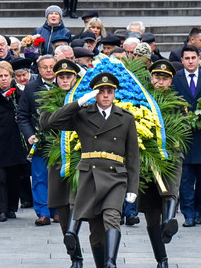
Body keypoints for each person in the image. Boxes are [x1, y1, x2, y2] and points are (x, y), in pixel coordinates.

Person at [44, 72, 139, 268]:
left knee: (112, 217)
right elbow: (51, 122)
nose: (105, 95)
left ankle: (111, 262)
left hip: (115, 177)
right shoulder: (83, 115)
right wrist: (78, 103)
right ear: (94, 94)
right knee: (96, 232)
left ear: (115, 94)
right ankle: (101, 264)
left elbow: (133, 156)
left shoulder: (126, 117)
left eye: (109, 91)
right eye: (101, 91)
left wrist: (133, 188)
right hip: (90, 177)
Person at [39, 59, 84, 267]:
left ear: (75, 78)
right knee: (63, 210)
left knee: (80, 205)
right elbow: (47, 123)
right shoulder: (49, 98)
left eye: (69, 76)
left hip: (81, 158)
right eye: (61, 77)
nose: (65, 80)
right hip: (58, 160)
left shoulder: (85, 97)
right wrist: (73, 107)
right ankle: (75, 255)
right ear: (56, 78)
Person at [140, 60, 183, 267]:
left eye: (164, 78)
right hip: (146, 159)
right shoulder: (141, 100)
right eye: (156, 77)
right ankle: (161, 258)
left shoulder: (177, 102)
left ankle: (169, 222)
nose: (159, 81)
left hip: (170, 156)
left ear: (171, 81)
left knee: (170, 190)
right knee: (150, 213)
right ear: (151, 78)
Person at [173, 45, 201, 227]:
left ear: (199, 59)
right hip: (183, 135)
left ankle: (198, 209)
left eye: (193, 58)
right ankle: (188, 213)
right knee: (185, 178)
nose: (190, 61)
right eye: (187, 58)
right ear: (182, 60)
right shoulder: (176, 79)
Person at [16, 54, 57, 226]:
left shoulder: (64, 84)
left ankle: (57, 210)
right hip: (39, 141)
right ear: (38, 70)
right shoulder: (31, 88)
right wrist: (29, 135)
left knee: (57, 177)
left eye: (52, 67)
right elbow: (22, 116)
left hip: (58, 141)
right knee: (40, 177)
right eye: (44, 67)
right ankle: (43, 212)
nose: (49, 70)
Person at [0, 61, 28, 222]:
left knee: (14, 177)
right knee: (0, 177)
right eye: (0, 76)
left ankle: (11, 207)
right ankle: (0, 210)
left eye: (7, 76)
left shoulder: (19, 94)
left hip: (15, 142)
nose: (4, 79)